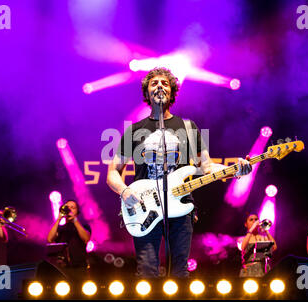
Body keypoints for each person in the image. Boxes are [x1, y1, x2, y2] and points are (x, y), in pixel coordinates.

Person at [106, 67, 252, 278]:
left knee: (179, 272)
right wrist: (124, 191)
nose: (159, 86)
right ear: (147, 92)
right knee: (147, 271)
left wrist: (236, 170)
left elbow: (207, 167)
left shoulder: (188, 127)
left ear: (172, 92)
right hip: (144, 208)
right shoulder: (134, 130)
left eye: (164, 83)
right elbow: (112, 172)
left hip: (180, 208)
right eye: (154, 83)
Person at [47, 200, 91, 280]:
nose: (69, 209)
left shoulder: (84, 226)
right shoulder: (60, 228)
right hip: (62, 268)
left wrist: (75, 221)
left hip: (79, 267)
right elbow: (50, 239)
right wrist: (58, 219)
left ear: (77, 211)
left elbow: (86, 238)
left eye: (73, 207)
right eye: (68, 207)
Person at [238, 213, 277, 278]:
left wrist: (266, 231)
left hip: (263, 269)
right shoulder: (242, 238)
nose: (254, 221)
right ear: (246, 224)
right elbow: (242, 247)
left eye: (256, 219)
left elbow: (274, 247)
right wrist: (252, 228)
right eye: (251, 220)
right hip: (248, 270)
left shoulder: (263, 238)